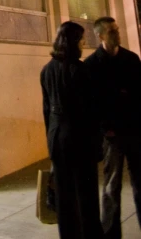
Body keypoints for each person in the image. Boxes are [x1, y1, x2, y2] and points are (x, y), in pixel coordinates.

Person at [40, 21, 103, 239]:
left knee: (64, 195)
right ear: (74, 41)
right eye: (82, 38)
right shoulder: (80, 69)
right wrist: (97, 145)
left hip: (57, 138)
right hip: (80, 138)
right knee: (86, 195)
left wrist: (50, 142)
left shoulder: (47, 70)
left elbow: (46, 109)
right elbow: (90, 110)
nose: (84, 42)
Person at [84, 16, 141, 238]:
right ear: (100, 36)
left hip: (134, 131)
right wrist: (104, 128)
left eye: (117, 29)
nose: (117, 33)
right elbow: (92, 103)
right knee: (111, 186)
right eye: (111, 31)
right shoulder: (91, 65)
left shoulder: (131, 59)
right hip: (112, 135)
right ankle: (110, 234)